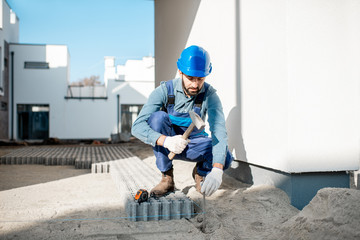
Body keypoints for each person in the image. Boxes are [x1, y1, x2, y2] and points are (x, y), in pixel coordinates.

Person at [131, 45, 233, 197]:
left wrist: (217, 169)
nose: (195, 84)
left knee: (226, 156)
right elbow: (137, 127)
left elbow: (219, 131)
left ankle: (201, 173)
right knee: (157, 118)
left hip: (193, 145)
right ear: (180, 72)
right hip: (168, 147)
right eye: (190, 78)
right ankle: (167, 178)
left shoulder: (210, 95)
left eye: (200, 79)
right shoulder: (165, 91)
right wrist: (165, 140)